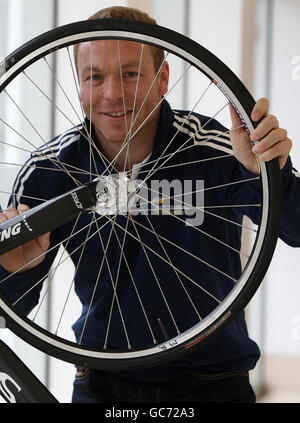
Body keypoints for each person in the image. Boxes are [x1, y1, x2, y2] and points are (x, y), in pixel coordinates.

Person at [0, 6, 299, 403]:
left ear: (162, 80)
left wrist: (272, 171)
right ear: (78, 84)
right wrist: (14, 268)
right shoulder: (48, 171)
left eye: (130, 73)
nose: (111, 93)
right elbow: (10, 311)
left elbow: (296, 229)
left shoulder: (219, 150)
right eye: (94, 76)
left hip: (213, 378)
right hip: (102, 380)